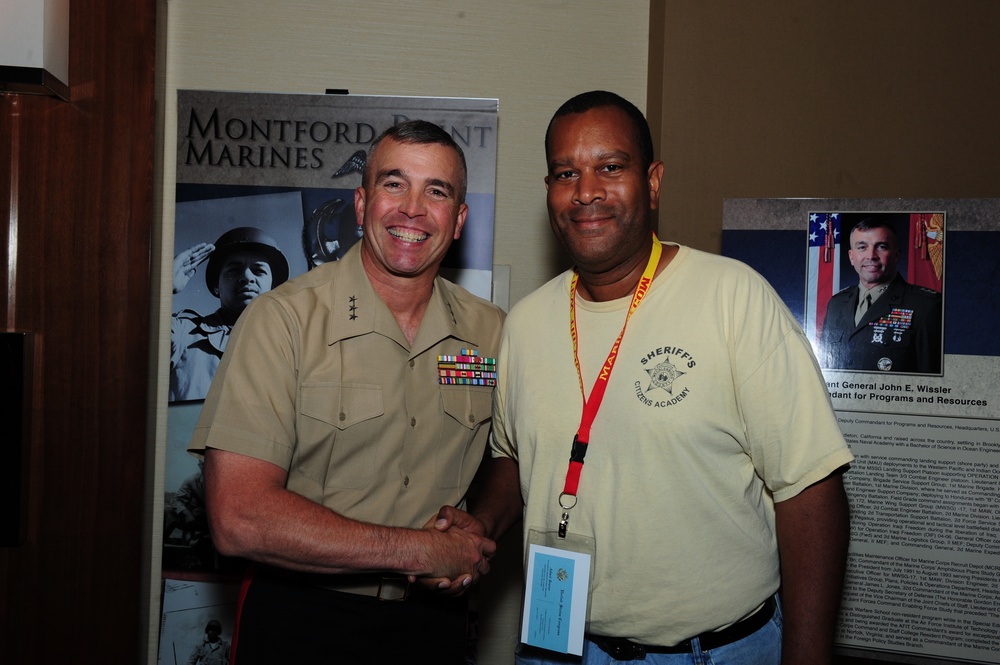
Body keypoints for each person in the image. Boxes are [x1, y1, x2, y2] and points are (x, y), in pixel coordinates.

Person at [439, 91, 855, 665]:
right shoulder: (527, 323)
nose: (587, 191)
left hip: (708, 653)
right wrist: (479, 525)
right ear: (549, 192)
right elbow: (518, 458)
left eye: (610, 167)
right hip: (554, 644)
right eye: (567, 173)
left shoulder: (732, 298)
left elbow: (810, 489)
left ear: (652, 181)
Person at [189, 120, 505, 664]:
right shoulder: (282, 320)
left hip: (436, 625)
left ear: (459, 219)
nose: (412, 208)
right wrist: (419, 550)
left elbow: (515, 453)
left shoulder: (491, 333)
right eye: (393, 184)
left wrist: (484, 526)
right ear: (361, 205)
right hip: (303, 619)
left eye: (437, 190)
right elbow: (238, 517)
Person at [170, 226, 290, 402]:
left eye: (259, 271)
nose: (247, 277)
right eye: (234, 270)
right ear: (216, 286)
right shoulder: (183, 334)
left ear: (272, 287)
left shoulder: (293, 344)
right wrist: (161, 287)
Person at [820, 218, 943, 373]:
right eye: (862, 247)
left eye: (881, 247)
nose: (871, 255)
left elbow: (933, 382)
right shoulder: (837, 304)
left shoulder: (926, 306)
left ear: (896, 255)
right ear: (851, 257)